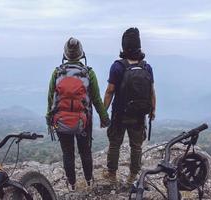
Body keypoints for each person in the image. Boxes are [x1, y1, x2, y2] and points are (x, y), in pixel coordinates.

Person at [46, 37, 110, 191]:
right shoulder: (88, 73)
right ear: (81, 54)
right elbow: (95, 99)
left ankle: (72, 185)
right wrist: (104, 118)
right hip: (83, 122)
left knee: (68, 154)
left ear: (65, 54)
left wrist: (49, 118)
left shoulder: (57, 72)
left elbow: (50, 98)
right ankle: (89, 181)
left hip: (61, 121)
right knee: (85, 151)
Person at [102, 27, 156, 185]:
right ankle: (133, 176)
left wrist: (103, 113)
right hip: (139, 114)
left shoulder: (118, 66)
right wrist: (153, 110)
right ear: (139, 46)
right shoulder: (146, 67)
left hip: (120, 114)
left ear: (123, 46)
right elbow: (152, 91)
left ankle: (112, 174)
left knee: (115, 144)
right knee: (136, 146)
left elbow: (110, 91)